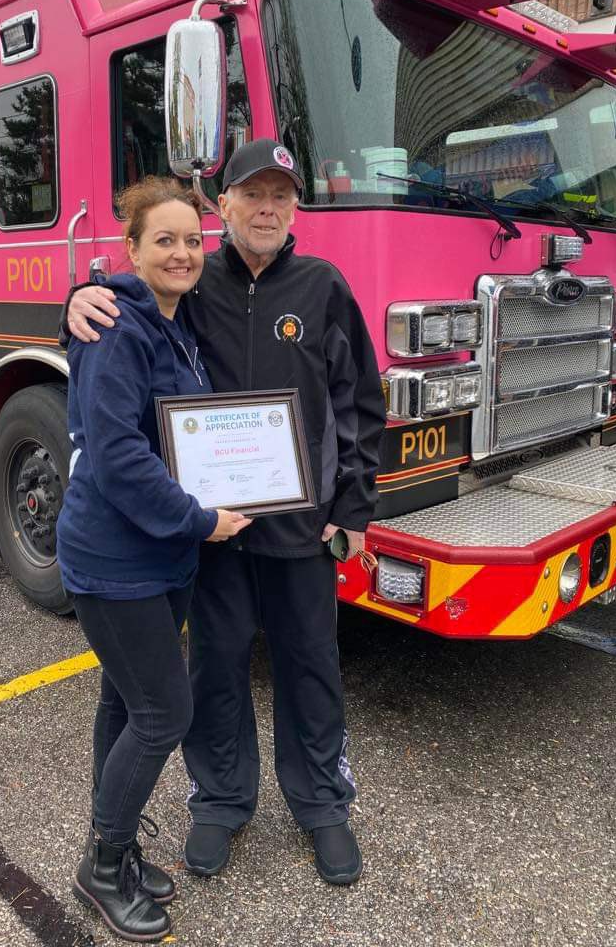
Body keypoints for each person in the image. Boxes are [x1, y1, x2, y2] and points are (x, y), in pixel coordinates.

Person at [63, 139, 385, 887]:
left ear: (295, 207)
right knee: (216, 666)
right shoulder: (190, 279)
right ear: (224, 207)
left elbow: (360, 404)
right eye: (252, 195)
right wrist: (72, 302)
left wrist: (356, 506)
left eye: (282, 195)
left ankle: (321, 803)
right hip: (214, 530)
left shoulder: (323, 286)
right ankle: (220, 800)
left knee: (311, 665)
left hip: (304, 527)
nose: (267, 208)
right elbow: (115, 315)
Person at [57, 176, 250, 942]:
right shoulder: (117, 327)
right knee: (165, 711)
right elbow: (116, 454)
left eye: (192, 241)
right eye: (163, 240)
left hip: (160, 557)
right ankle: (101, 869)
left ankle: (120, 845)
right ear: (130, 251)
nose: (181, 253)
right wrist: (198, 520)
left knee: (125, 703)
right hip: (115, 558)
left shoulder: (177, 325)